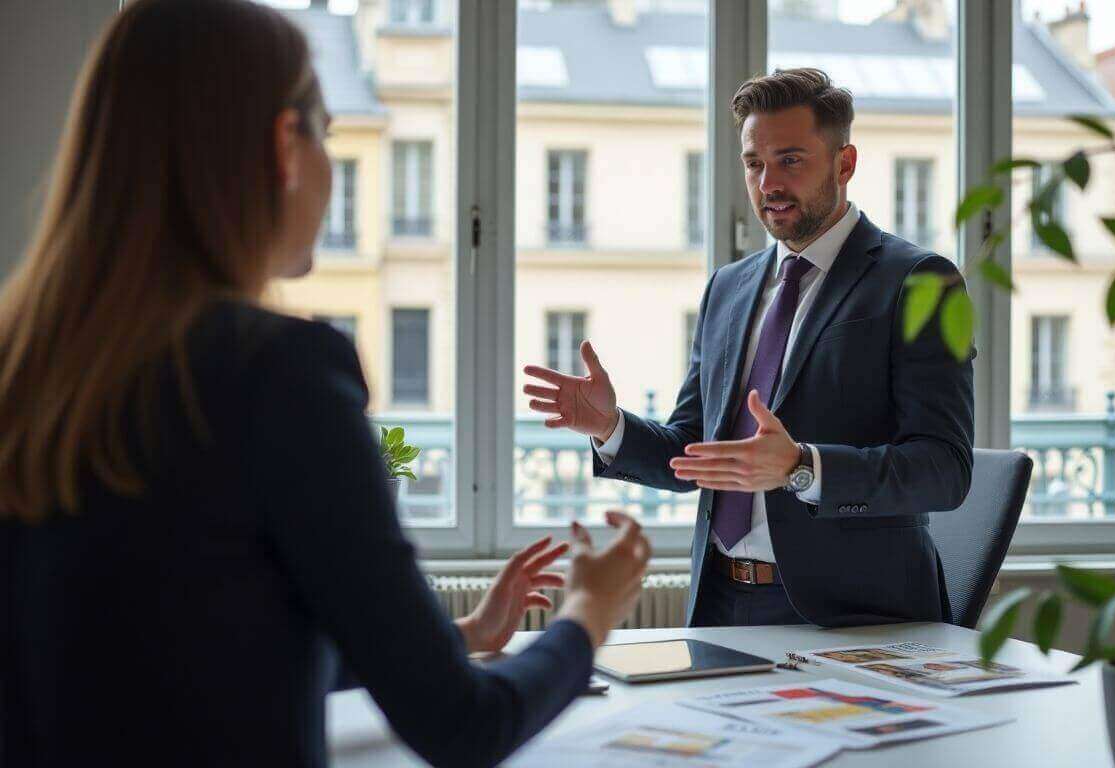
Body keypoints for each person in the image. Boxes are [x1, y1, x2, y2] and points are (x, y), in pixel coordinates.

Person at [0, 1, 649, 766]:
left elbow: (178, 646)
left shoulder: (29, 362)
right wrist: (586, 616)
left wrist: (458, 638)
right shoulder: (276, 373)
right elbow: (465, 727)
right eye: (329, 136)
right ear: (285, 145)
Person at [523, 68, 973, 629]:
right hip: (721, 604)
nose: (768, 185)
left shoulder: (919, 281)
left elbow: (944, 470)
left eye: (791, 160)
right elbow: (693, 451)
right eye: (754, 164)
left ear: (845, 164)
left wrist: (802, 467)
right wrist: (611, 427)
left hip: (856, 615)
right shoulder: (727, 288)